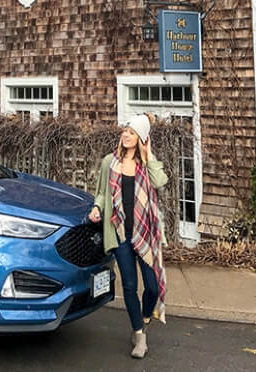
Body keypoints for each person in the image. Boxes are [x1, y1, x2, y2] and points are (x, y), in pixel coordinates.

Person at [89, 113, 168, 359]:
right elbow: (102, 193)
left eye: (132, 132)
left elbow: (161, 181)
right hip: (120, 234)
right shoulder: (108, 162)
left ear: (141, 138)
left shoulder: (146, 166)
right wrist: (96, 208)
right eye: (125, 130)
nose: (126, 135)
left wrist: (149, 154)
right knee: (130, 286)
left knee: (152, 288)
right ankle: (139, 335)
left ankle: (144, 318)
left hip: (144, 235)